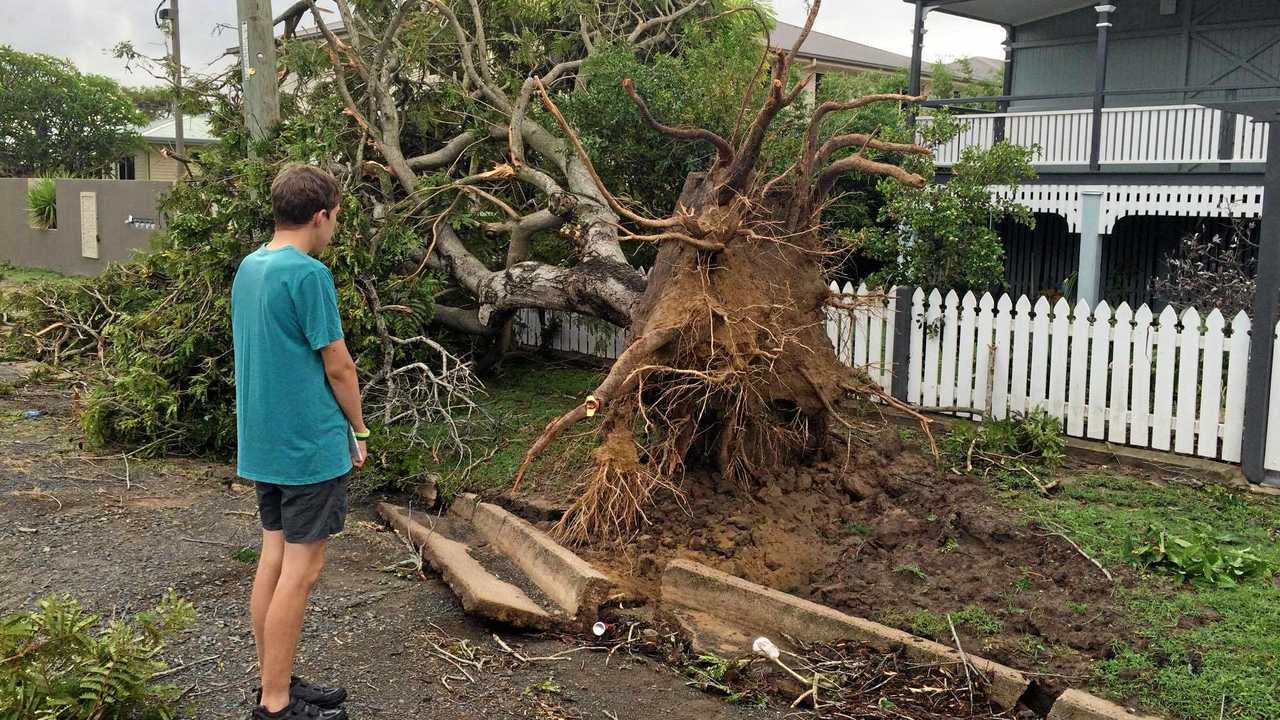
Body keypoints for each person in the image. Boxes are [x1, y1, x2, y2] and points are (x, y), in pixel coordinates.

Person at [232, 164, 368, 720]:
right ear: (321, 215)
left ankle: (274, 679)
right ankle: (276, 703)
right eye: (335, 218)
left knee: (273, 557)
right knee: (301, 570)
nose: (333, 228)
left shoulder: (250, 266)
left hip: (264, 441)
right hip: (307, 446)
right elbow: (337, 365)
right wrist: (358, 429)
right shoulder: (308, 274)